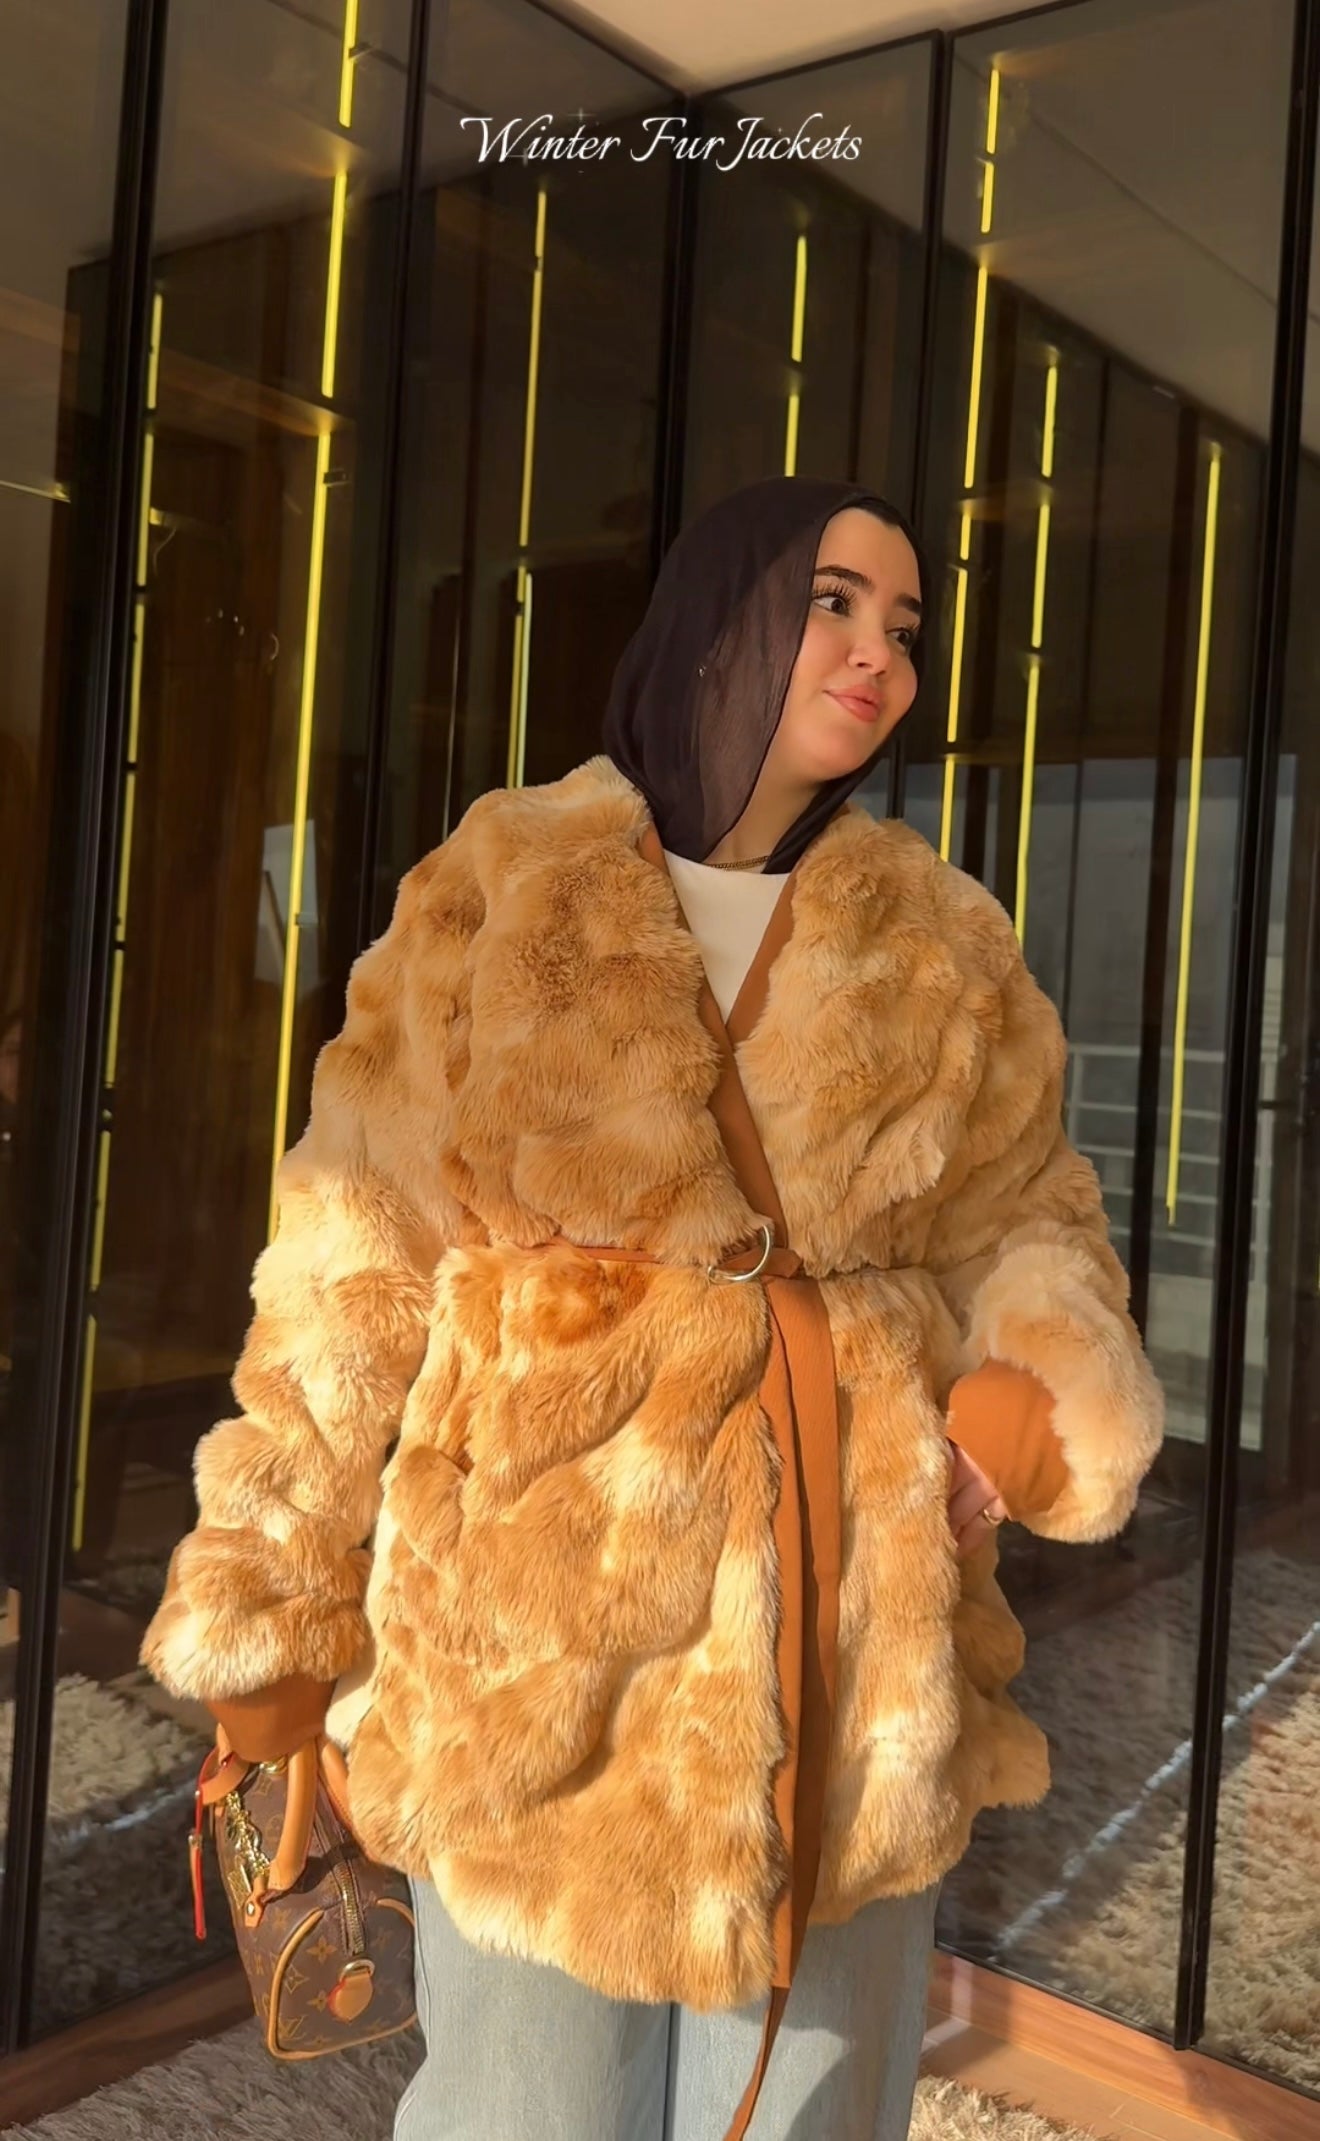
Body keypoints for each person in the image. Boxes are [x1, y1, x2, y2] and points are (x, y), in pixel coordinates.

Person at [141, 475, 1164, 2139]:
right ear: (720, 619)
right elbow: (350, 1260)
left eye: (904, 625)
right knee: (525, 2113)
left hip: (850, 1656)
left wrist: (1020, 1404)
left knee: (814, 2111)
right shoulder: (502, 883)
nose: (880, 654)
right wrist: (273, 1602)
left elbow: (1033, 1221)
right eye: (835, 601)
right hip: (535, 1665)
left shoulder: (944, 941)